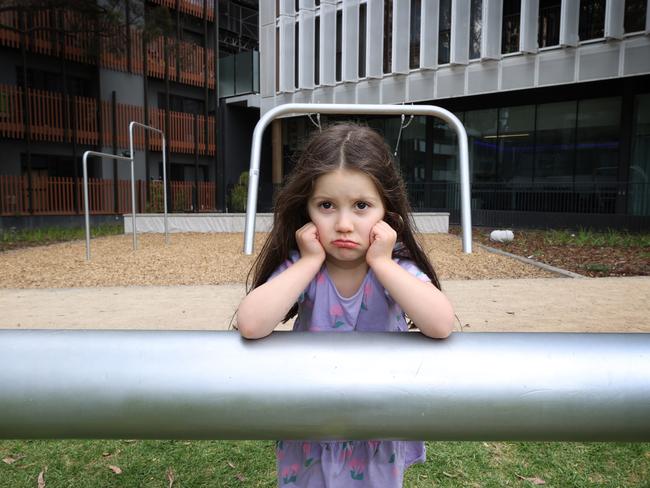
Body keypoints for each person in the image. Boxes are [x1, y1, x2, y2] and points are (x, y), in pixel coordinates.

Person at [236, 122, 455, 487]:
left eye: (361, 206)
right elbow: (251, 323)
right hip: (312, 426)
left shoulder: (395, 269)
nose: (343, 224)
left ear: (387, 212)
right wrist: (307, 263)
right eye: (326, 205)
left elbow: (441, 322)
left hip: (377, 428)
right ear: (306, 212)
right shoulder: (303, 268)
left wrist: (382, 263)